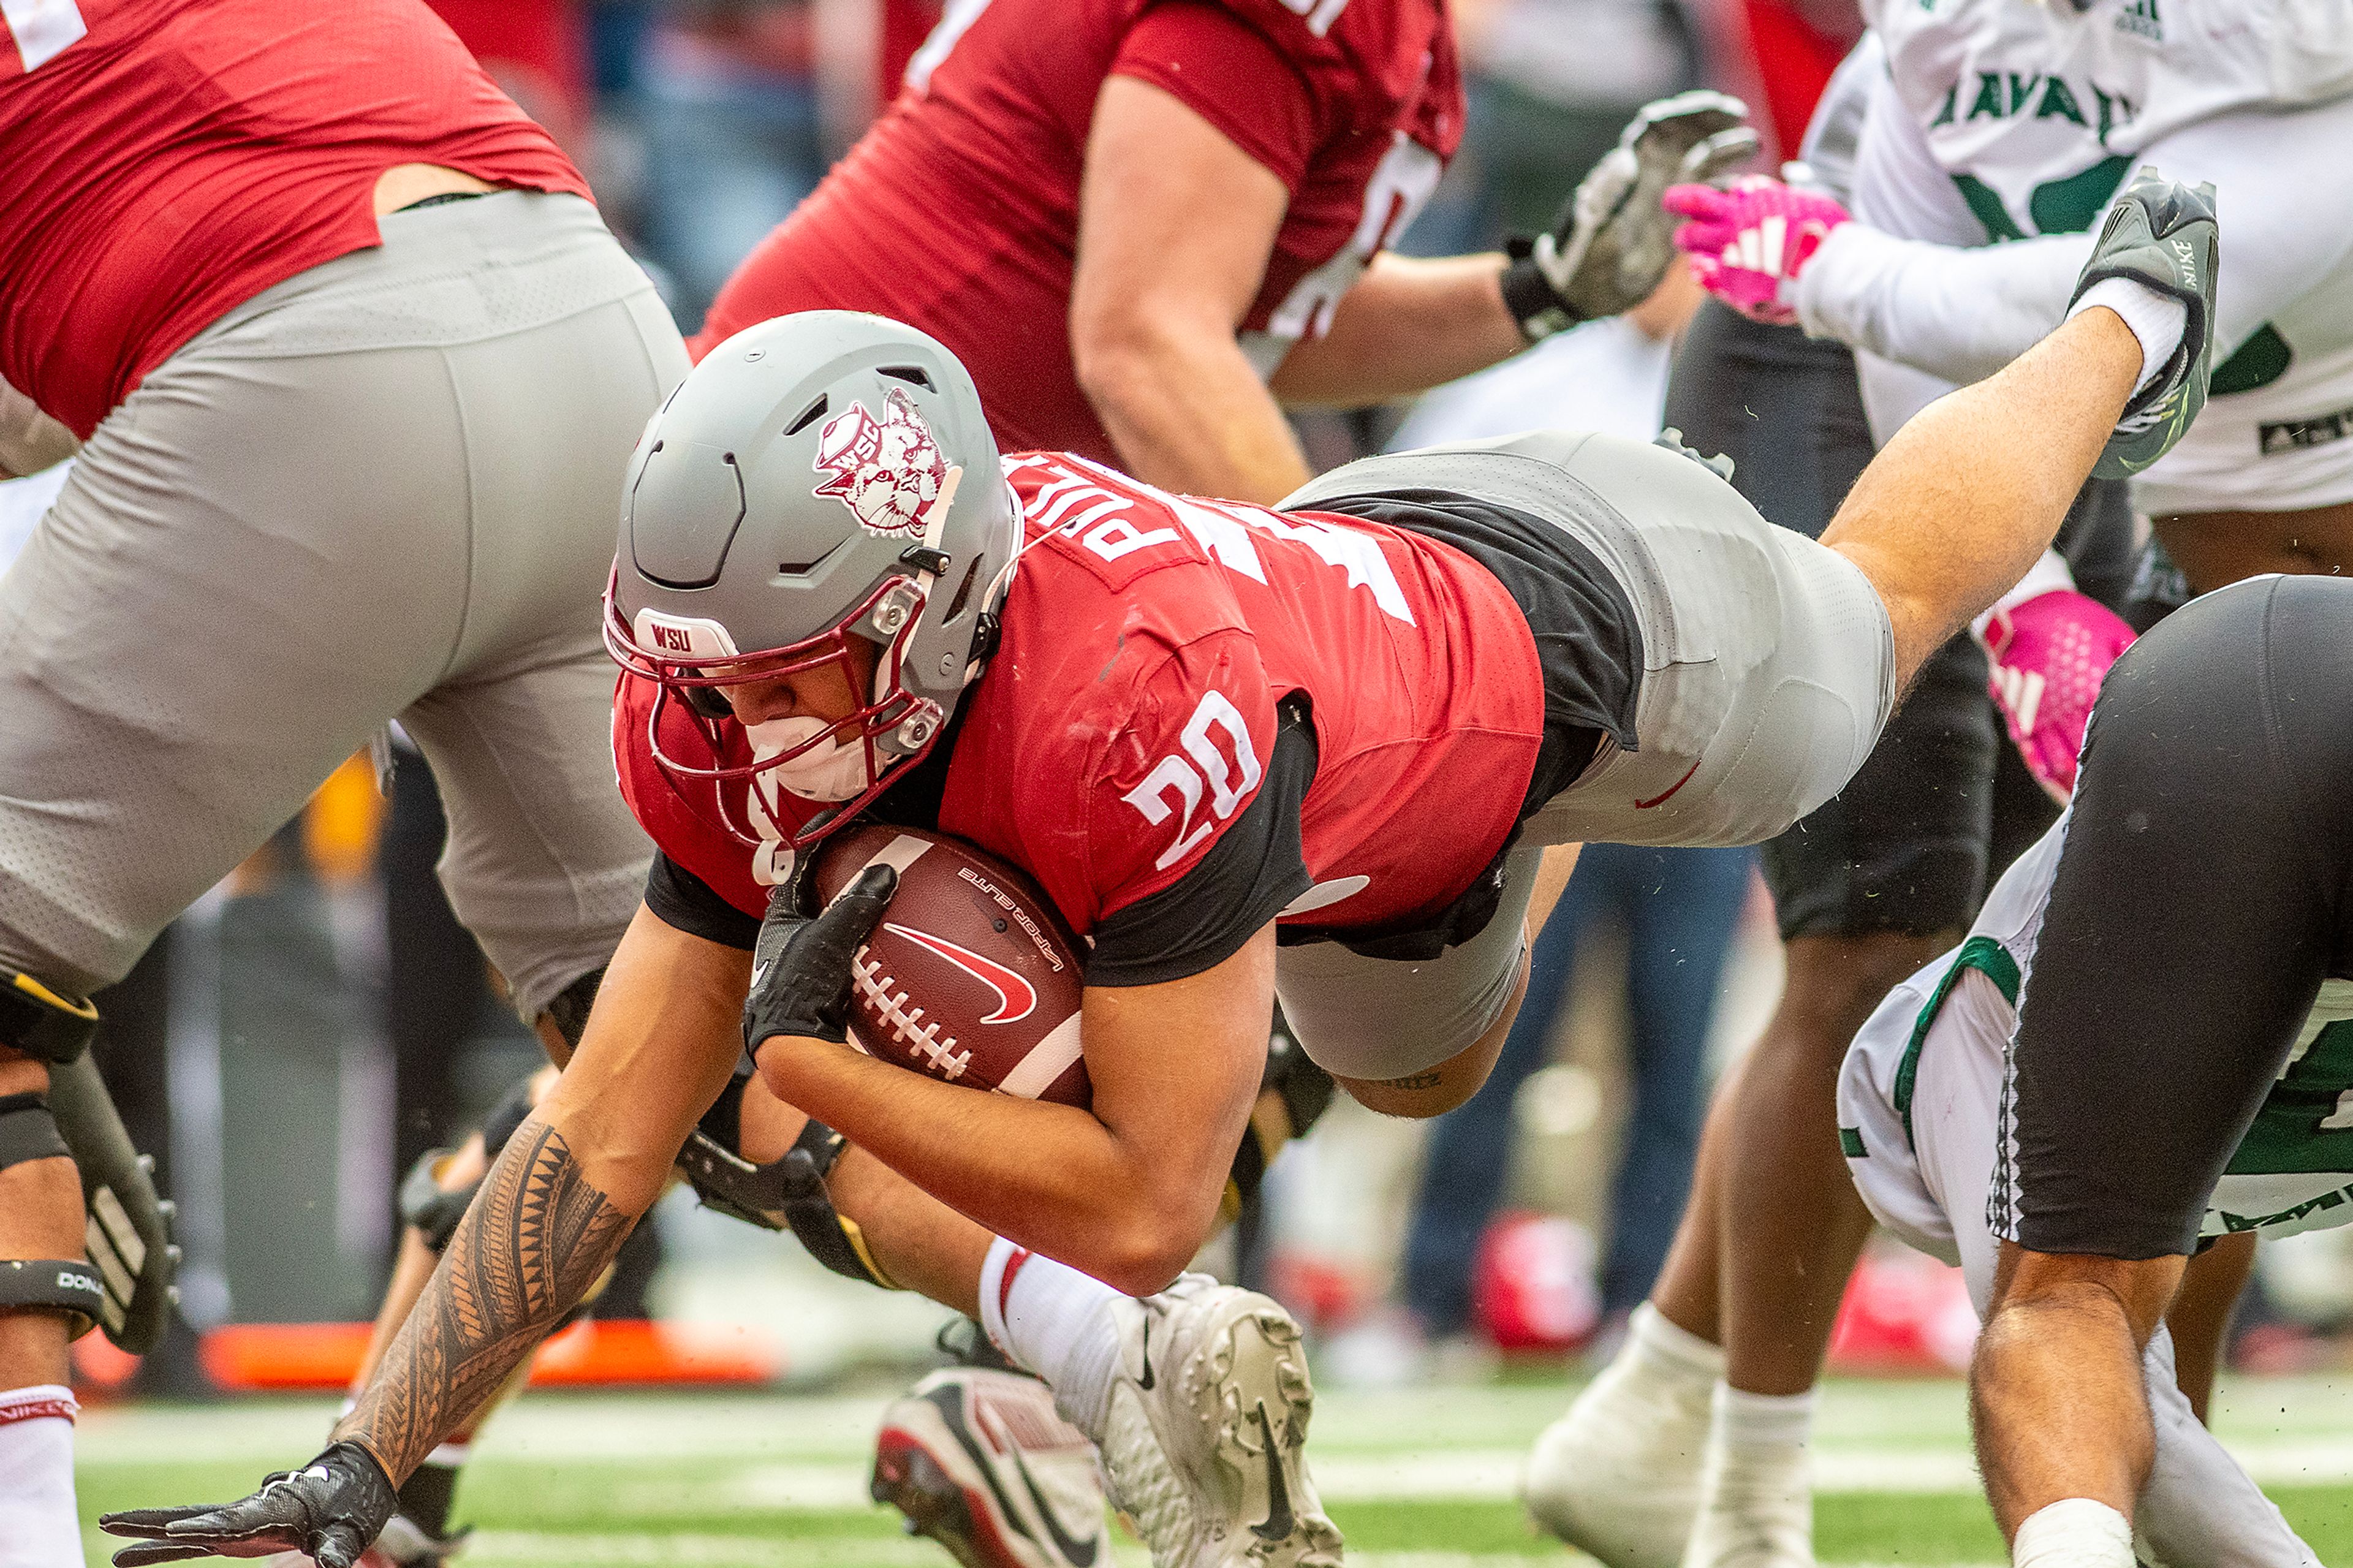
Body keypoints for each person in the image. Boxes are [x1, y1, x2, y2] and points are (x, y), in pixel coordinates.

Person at [100, 159, 2214, 1567]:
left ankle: (2124, 311)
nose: (733, 737)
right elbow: (598, 1136)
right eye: (705, 682)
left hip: (1590, 627)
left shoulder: (1127, 712)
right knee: (1415, 1076)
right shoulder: (753, 683)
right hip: (1366, 695)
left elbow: (1145, 1200)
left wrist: (812, 1073)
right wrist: (356, 1472)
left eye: (787, 681)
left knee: (1858, 631)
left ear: (923, 606)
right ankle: (1493, 851)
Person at [1533, 3, 2353, 1559]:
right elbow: (2029, 323)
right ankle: (1744, 1491)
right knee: (1883, 926)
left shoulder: (2297, 64)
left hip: (2070, 370)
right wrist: (2034, 585)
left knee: (2198, 991)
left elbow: (2117, 289)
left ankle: (2115, 1438)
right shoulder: (1961, 34)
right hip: (1888, 373)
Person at [0, 2, 690, 1564]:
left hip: (305, 369)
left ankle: (22, 1532)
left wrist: (39, 1017)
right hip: (602, 327)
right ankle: (1087, 1331)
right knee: (673, 1045)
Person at [689, 0, 1760, 504]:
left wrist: (1539, 292)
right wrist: (1331, 610)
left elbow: (1243, 324)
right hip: (821, 484)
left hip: (887, 482)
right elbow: (1150, 341)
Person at [1840, 574, 2353, 1566]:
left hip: (2249, 685)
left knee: (2066, 1301)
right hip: (2254, 666)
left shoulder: (1979, 1062)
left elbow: (2099, 1371)